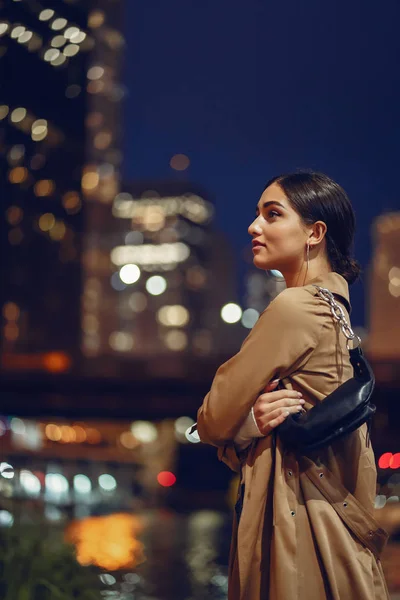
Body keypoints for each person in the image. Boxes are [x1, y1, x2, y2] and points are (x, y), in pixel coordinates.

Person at [196, 171, 389, 600]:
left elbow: (212, 419)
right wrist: (254, 421)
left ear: (314, 232)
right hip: (340, 541)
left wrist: (243, 425)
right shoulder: (337, 310)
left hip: (301, 539)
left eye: (273, 214)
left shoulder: (294, 306)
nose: (254, 226)